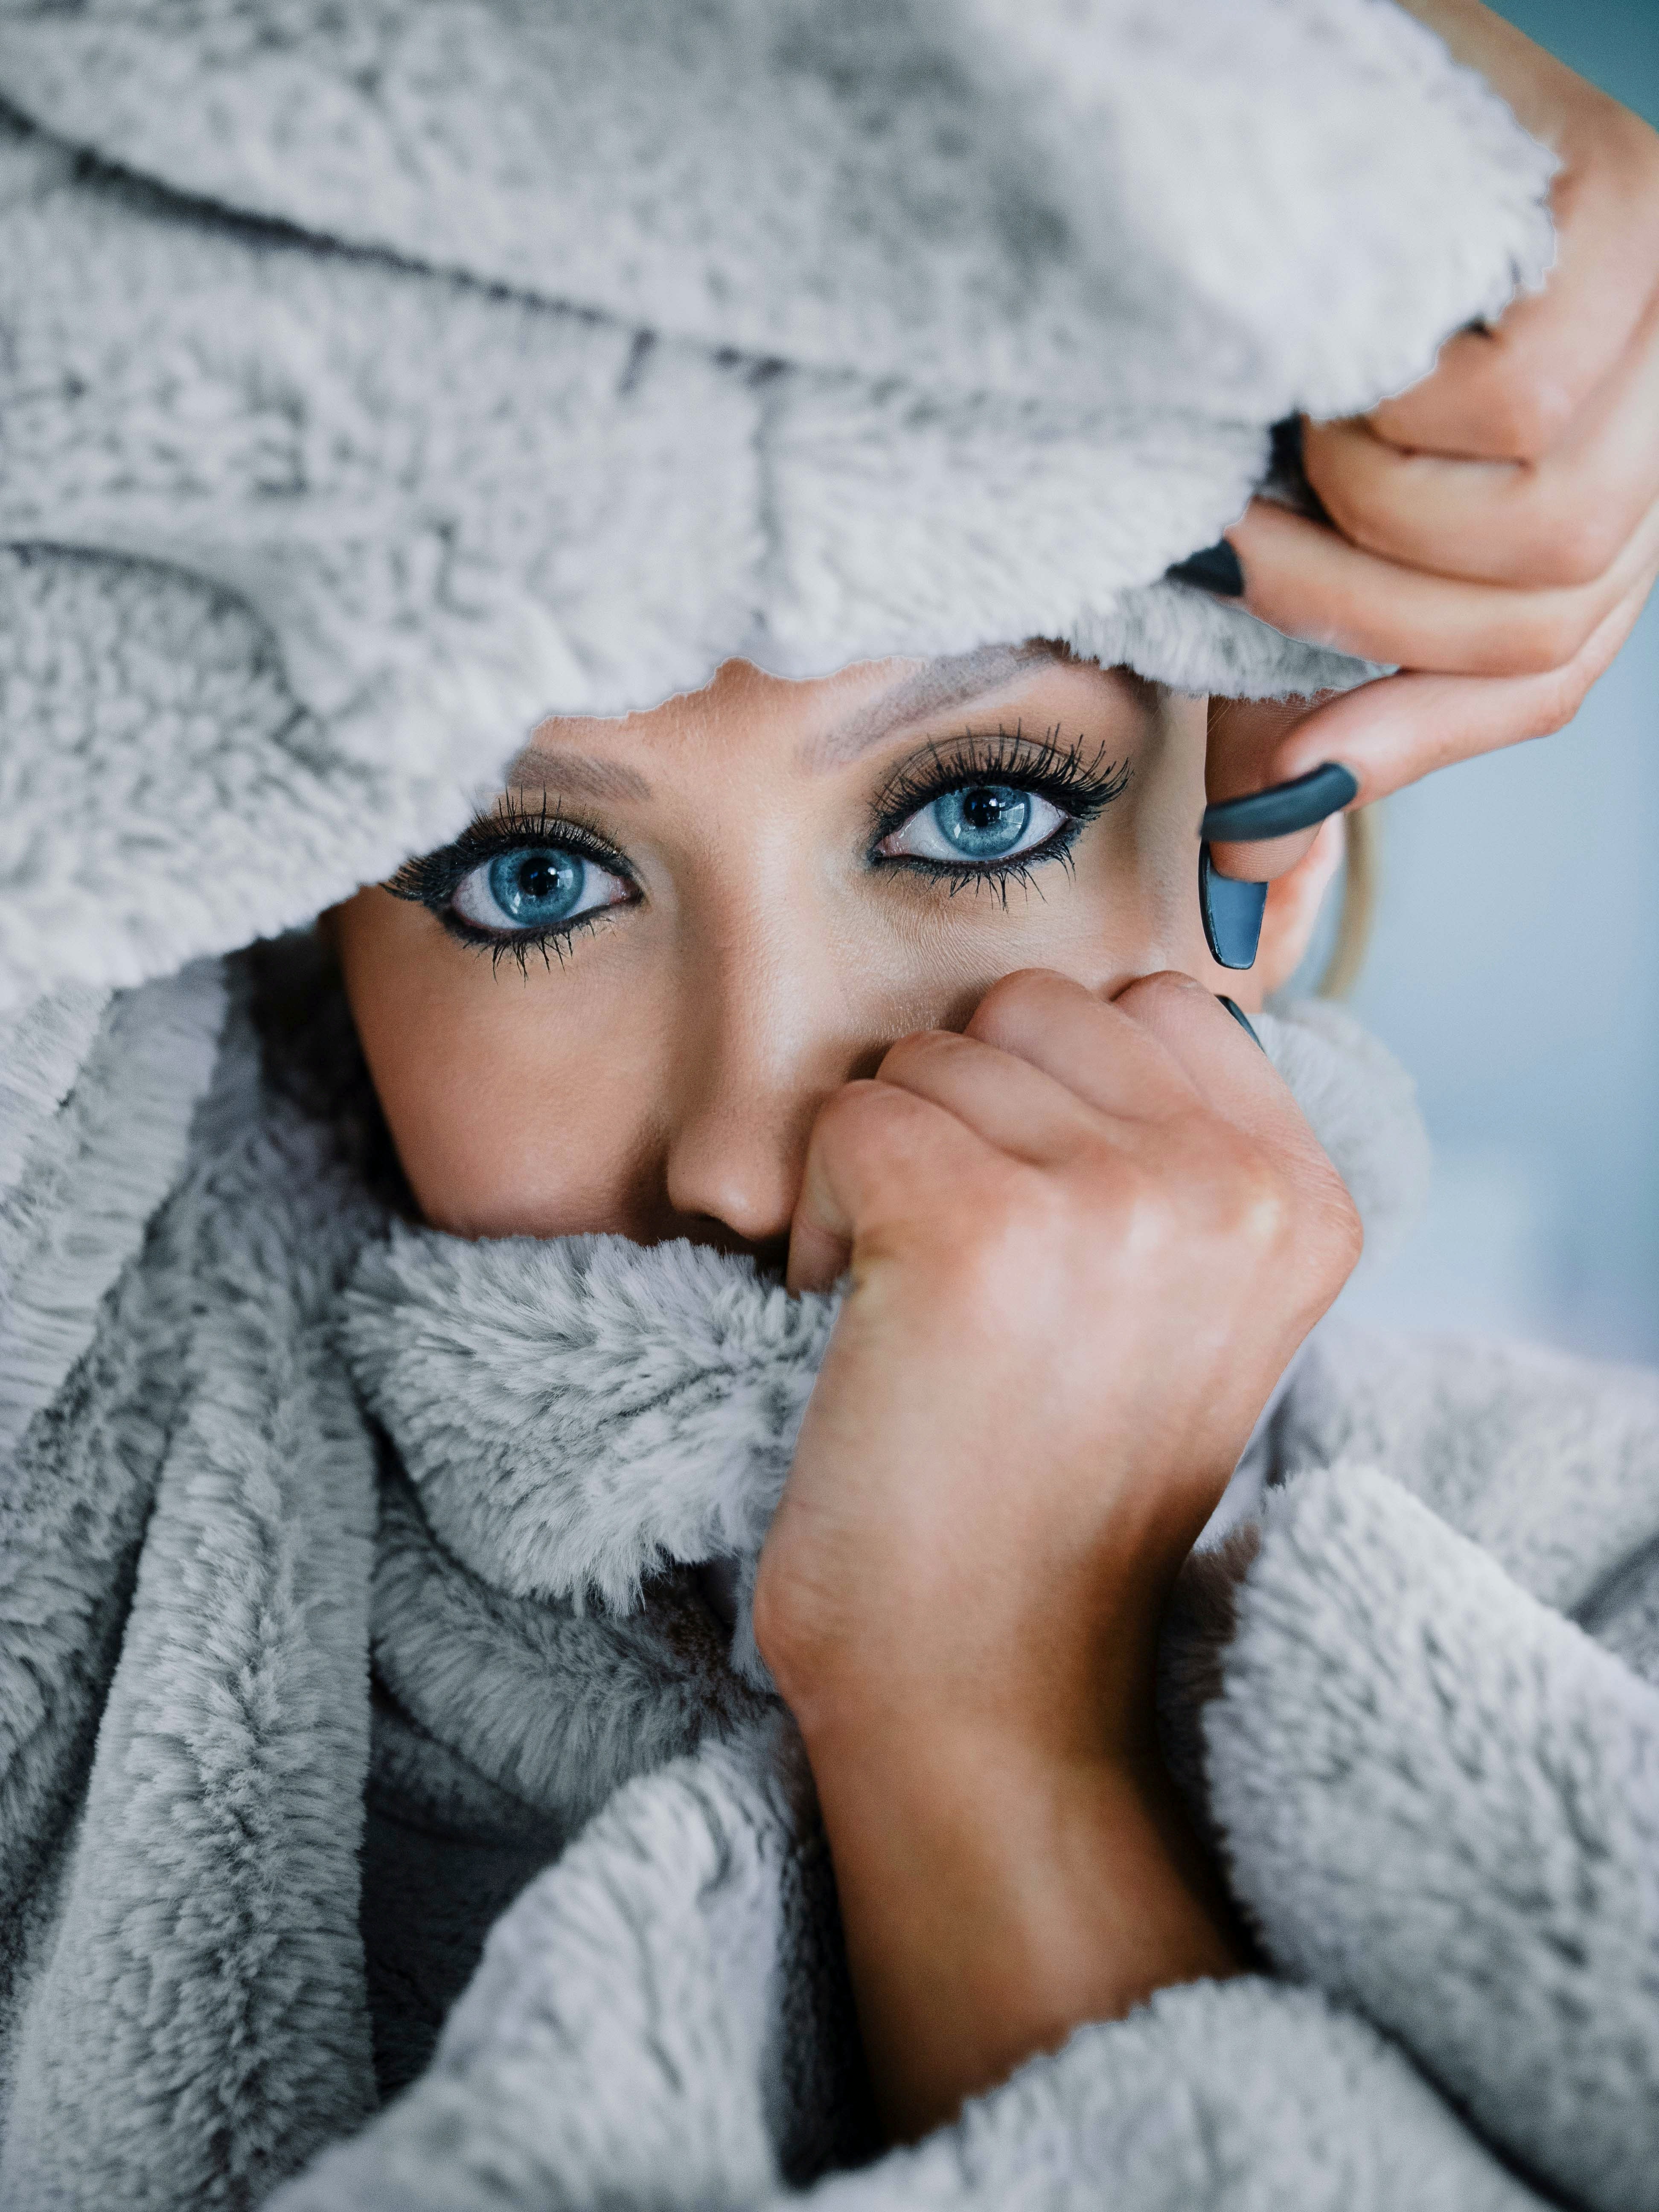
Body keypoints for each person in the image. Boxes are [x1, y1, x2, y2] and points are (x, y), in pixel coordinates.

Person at [2, 3, 1658, 2210]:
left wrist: (987, 1698)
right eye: (531, 877)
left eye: (977, 810)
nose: (764, 1155)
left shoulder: (1603, 1590)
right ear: (299, 930)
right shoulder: (75, 1516)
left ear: (1259, 839)